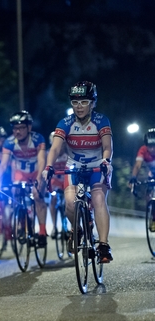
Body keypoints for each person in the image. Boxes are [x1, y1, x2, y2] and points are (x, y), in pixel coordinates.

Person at [42, 81, 113, 263]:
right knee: (70, 203)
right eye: (75, 102)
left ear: (93, 103)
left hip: (97, 166)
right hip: (74, 167)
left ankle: (103, 245)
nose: (79, 107)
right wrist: (48, 166)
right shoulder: (65, 123)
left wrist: (106, 161)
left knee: (98, 199)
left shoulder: (101, 121)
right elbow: (56, 149)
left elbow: (107, 146)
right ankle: (77, 229)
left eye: (84, 102)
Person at [0, 110, 48, 247]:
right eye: (15, 128)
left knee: (37, 196)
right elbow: (3, 164)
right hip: (21, 173)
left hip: (37, 170)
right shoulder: (9, 142)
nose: (17, 132)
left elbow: (42, 161)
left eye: (21, 128)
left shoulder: (38, 139)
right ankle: (22, 223)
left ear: (29, 127)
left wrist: (39, 179)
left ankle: (42, 231)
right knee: (15, 193)